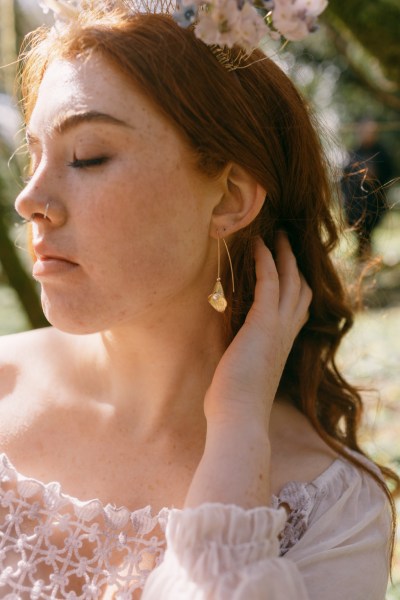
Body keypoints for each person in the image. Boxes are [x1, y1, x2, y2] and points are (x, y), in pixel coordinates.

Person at [0, 3, 398, 599]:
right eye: (35, 156)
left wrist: (238, 428)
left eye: (88, 157)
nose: (29, 200)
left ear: (229, 198)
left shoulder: (332, 509)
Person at [341, 119, 395, 260]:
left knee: (368, 232)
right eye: (363, 131)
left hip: (374, 203)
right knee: (360, 233)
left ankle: (366, 256)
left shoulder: (382, 154)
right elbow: (344, 178)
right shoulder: (354, 153)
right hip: (356, 205)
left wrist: (375, 175)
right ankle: (363, 255)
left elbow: (391, 173)